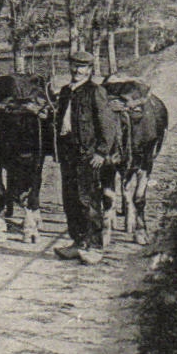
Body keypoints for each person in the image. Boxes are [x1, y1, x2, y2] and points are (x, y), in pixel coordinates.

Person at [54, 50, 118, 265]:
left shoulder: (95, 91)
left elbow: (107, 125)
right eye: (74, 66)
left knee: (88, 200)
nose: (77, 71)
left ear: (90, 70)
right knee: (70, 200)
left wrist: (101, 152)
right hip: (67, 154)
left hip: (87, 155)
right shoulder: (65, 91)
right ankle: (78, 243)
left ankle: (95, 246)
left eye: (82, 67)